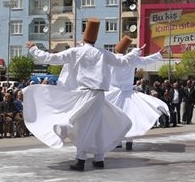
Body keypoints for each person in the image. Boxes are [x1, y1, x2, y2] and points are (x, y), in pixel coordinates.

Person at [23, 18, 132, 170]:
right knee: (97, 125)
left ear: (84, 37)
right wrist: (135, 54)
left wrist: (34, 48)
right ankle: (99, 158)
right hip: (100, 94)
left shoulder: (77, 51)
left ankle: (81, 160)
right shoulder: (103, 53)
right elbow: (122, 62)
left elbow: (51, 58)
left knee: (84, 126)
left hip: (85, 93)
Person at [105, 35, 166, 151]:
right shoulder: (131, 60)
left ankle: (117, 141)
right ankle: (129, 141)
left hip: (113, 94)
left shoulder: (111, 60)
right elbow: (146, 60)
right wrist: (158, 55)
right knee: (130, 116)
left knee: (114, 117)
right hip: (128, 94)